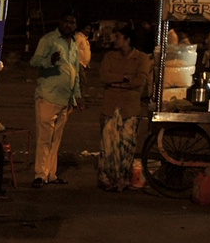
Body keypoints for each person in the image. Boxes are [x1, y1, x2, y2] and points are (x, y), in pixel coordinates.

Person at [29, 14, 84, 187]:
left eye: (72, 22)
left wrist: (77, 96)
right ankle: (40, 174)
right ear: (60, 22)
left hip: (65, 98)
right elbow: (34, 62)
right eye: (66, 21)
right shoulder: (49, 40)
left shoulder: (74, 43)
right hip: (48, 95)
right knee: (44, 137)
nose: (69, 25)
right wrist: (49, 61)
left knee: (56, 138)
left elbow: (75, 70)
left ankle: (51, 174)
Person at [97, 27, 152, 191]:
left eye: (118, 37)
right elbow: (103, 76)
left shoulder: (141, 58)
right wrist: (124, 78)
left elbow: (140, 80)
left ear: (127, 40)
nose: (115, 39)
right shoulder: (110, 56)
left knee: (126, 147)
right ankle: (107, 179)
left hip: (129, 108)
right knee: (108, 145)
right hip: (110, 106)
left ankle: (121, 179)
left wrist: (116, 83)